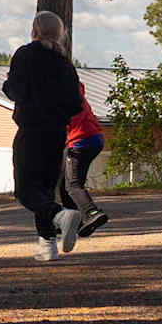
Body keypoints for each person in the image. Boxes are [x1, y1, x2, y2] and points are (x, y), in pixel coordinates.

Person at [1, 11, 85, 263]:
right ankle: (47, 247)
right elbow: (76, 103)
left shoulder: (25, 55)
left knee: (26, 191)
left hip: (31, 130)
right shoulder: (64, 62)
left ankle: (60, 216)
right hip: (58, 133)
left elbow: (14, 89)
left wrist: (10, 88)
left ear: (34, 30)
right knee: (45, 190)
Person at [59, 80, 109, 238]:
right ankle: (74, 221)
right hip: (93, 138)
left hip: (81, 140)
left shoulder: (66, 93)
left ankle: (91, 213)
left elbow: (74, 116)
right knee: (64, 185)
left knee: (73, 185)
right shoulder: (74, 89)